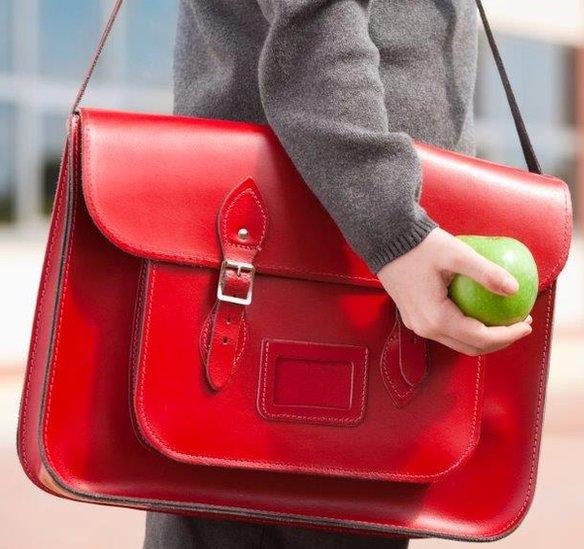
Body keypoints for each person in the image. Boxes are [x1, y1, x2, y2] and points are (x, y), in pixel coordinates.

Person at [143, 1, 533, 548]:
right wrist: (396, 226)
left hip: (361, 266)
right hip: (325, 258)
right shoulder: (390, 230)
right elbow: (316, 14)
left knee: (231, 479)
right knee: (235, 487)